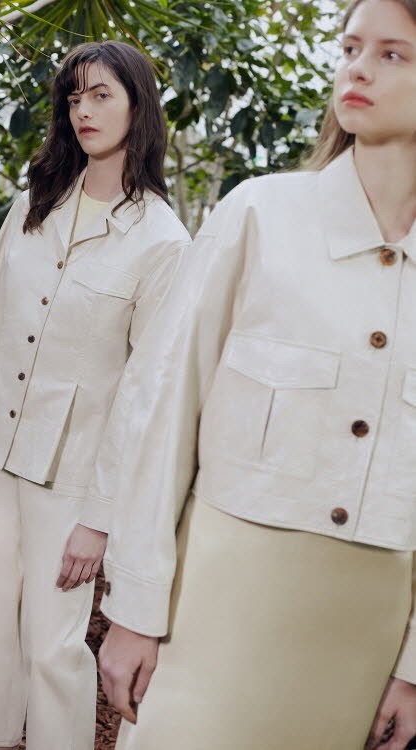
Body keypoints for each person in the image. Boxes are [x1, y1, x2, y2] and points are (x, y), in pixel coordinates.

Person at [96, 1, 416, 748]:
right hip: (217, 602)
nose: (359, 69)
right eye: (351, 47)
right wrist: (134, 607)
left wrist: (412, 668)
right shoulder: (261, 214)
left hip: (365, 632)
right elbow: (163, 407)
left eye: (393, 54)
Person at [0, 40, 190, 750]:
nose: (84, 110)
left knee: (52, 647)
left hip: (73, 478)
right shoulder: (34, 205)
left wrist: (100, 519)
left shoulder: (163, 242)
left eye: (101, 94)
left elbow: (147, 395)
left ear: (138, 107)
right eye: (74, 97)